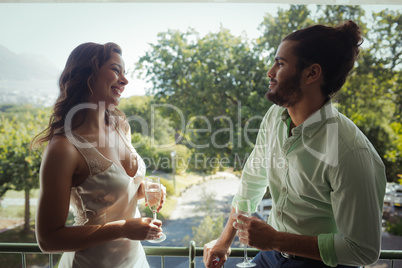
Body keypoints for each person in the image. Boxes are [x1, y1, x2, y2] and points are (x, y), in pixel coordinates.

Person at [203, 20, 387, 268]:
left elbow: (363, 250)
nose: (270, 72)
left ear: (312, 73)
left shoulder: (351, 151)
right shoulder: (273, 117)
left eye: (280, 64)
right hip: (271, 256)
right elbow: (253, 178)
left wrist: (276, 239)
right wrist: (224, 241)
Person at [32, 42, 166, 268]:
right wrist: (123, 228)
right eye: (115, 70)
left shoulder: (121, 127)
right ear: (87, 75)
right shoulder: (63, 148)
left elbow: (112, 194)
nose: (124, 80)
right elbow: (48, 240)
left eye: (125, 73)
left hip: (134, 261)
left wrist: (144, 191)